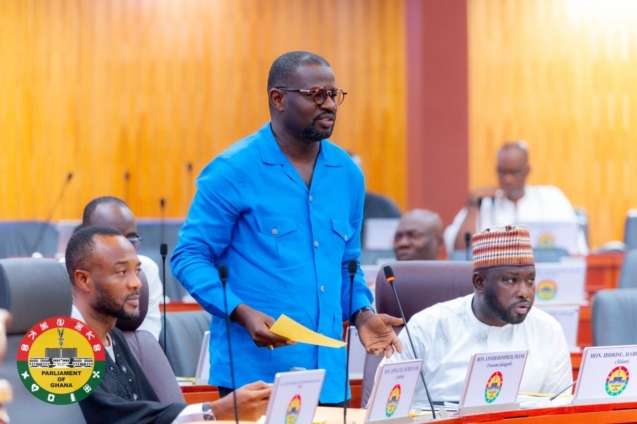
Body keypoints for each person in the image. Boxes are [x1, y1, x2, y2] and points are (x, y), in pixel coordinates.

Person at [171, 51, 403, 405]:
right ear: (278, 99)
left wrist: (362, 314)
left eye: (334, 95)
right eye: (316, 95)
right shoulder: (233, 170)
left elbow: (346, 266)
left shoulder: (347, 174)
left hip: (329, 376)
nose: (330, 105)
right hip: (255, 376)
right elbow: (189, 256)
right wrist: (240, 311)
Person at [67, 226, 271, 423]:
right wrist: (214, 411)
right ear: (83, 279)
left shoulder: (114, 336)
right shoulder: (61, 346)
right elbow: (110, 417)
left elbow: (150, 410)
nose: (137, 283)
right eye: (121, 272)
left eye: (137, 271)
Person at [379, 225, 572, 404]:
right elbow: (383, 405)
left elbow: (560, 411)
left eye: (530, 280)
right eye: (510, 280)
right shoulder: (427, 328)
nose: (524, 292)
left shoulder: (548, 331)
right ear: (479, 282)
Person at [443, 142, 587, 255]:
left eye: (515, 173)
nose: (508, 179)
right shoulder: (483, 203)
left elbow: (576, 248)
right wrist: (473, 206)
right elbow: (460, 252)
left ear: (527, 171)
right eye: (502, 172)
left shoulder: (551, 198)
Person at [81, 196, 163, 340]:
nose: (126, 249)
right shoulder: (64, 275)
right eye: (113, 241)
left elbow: (148, 334)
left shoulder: (146, 269)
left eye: (131, 240)